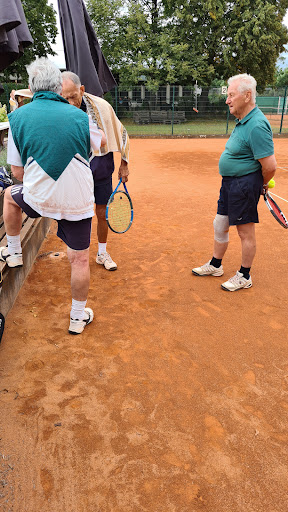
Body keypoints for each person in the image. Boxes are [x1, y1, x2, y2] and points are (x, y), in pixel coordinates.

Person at [0, 57, 106, 334]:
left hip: (38, 198)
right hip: (78, 202)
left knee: (11, 196)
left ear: (32, 89)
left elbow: (17, 173)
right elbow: (102, 143)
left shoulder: (18, 118)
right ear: (59, 87)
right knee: (80, 260)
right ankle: (77, 318)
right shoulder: (80, 116)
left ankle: (13, 253)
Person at [192, 73, 277, 291]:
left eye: (231, 95)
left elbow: (269, 166)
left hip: (244, 184)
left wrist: (261, 184)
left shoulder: (257, 125)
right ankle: (216, 265)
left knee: (244, 231)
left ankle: (245, 275)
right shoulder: (243, 121)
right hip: (230, 183)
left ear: (247, 96)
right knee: (220, 224)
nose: (227, 99)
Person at [61, 71, 130, 271]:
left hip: (100, 168)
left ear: (81, 89)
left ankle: (102, 252)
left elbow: (121, 132)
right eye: (65, 98)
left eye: (73, 96)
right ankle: (76, 253)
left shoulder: (101, 106)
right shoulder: (58, 109)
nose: (70, 102)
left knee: (101, 213)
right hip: (73, 171)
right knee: (75, 215)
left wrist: (124, 163)